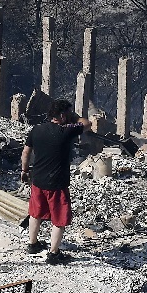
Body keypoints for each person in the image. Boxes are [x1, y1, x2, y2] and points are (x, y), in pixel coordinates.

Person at [20, 99, 92, 263]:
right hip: (57, 184)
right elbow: (88, 124)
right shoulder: (67, 131)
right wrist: (75, 118)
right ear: (62, 115)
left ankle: (32, 244)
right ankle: (53, 254)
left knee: (35, 213)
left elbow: (25, 153)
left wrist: (24, 171)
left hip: (37, 181)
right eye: (68, 112)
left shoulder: (36, 129)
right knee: (59, 219)